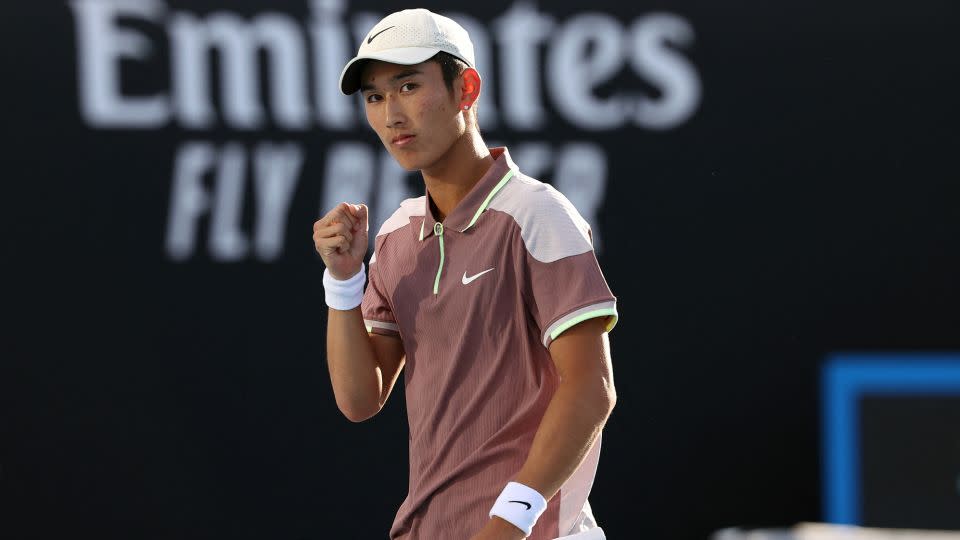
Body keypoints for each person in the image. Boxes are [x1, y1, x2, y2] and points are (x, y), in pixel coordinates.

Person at [312, 8, 618, 540]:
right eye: (375, 97)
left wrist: (509, 521)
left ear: (466, 89)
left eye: (408, 86)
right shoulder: (397, 233)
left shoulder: (536, 212)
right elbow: (361, 400)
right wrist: (343, 281)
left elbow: (592, 388)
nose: (391, 115)